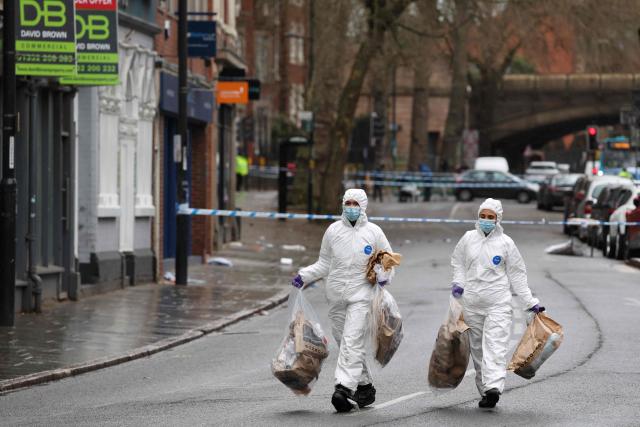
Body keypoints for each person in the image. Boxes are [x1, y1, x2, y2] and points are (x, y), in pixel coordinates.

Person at [291, 189, 393, 413]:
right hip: (336, 297)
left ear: (363, 205)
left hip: (362, 296)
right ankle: (365, 386)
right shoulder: (333, 231)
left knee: (352, 340)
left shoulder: (374, 233)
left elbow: (388, 262)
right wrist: (305, 276)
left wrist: (383, 277)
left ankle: (343, 388)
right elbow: (324, 263)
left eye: (356, 203)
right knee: (346, 343)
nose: (351, 206)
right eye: (348, 202)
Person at [450, 198, 544, 409]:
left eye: (490, 217)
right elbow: (458, 262)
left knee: (495, 345)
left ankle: (493, 387)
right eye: (482, 216)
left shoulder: (506, 244)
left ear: (498, 219)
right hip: (472, 303)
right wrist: (458, 282)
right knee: (478, 351)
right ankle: (485, 392)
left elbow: (517, 275)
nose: (485, 220)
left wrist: (530, 302)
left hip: (498, 304)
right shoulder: (468, 239)